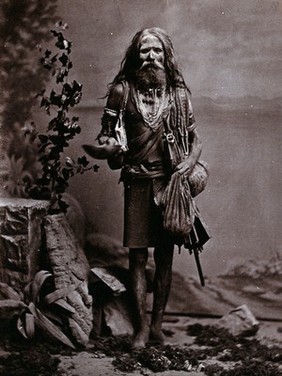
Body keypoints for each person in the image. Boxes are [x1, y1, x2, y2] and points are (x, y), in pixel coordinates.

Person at [95, 27, 202, 348]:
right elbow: (106, 136)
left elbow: (196, 138)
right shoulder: (121, 92)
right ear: (135, 55)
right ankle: (141, 328)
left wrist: (189, 162)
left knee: (166, 257)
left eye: (156, 51)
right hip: (137, 184)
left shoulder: (179, 96)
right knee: (138, 258)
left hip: (170, 185)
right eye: (144, 51)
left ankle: (156, 325)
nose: (150, 57)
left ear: (166, 56)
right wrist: (110, 148)